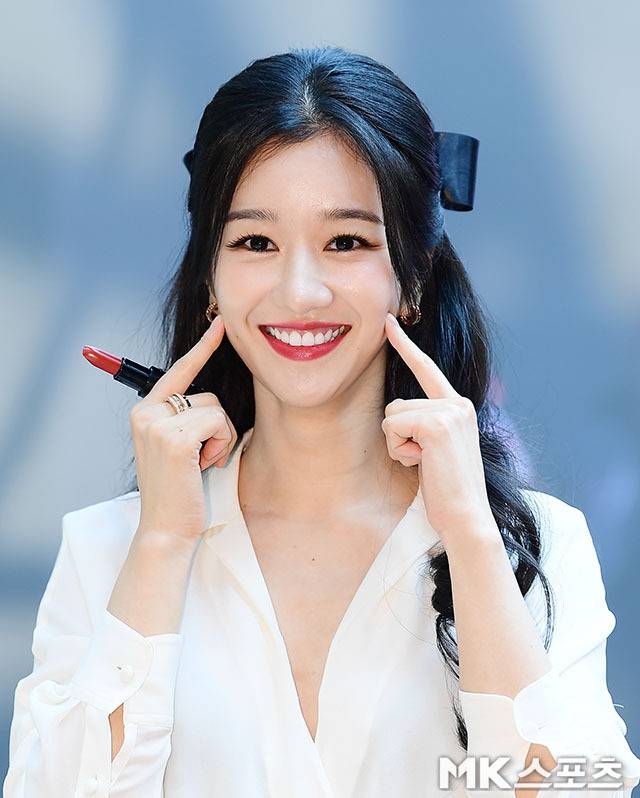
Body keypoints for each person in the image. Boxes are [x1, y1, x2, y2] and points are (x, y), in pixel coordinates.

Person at [4, 46, 640, 798]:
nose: (300, 291)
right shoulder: (109, 548)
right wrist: (164, 542)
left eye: (346, 242)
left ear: (412, 278)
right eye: (255, 242)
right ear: (211, 278)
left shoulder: (534, 543)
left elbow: (576, 790)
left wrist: (471, 536)